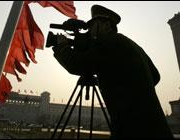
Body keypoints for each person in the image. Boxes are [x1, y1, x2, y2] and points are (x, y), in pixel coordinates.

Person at [52, 4, 173, 139]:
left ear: (106, 25)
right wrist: (117, 79)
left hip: (132, 128)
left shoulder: (108, 43)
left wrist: (61, 46)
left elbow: (77, 65)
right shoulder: (130, 44)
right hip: (156, 127)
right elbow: (155, 76)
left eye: (93, 26)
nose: (90, 31)